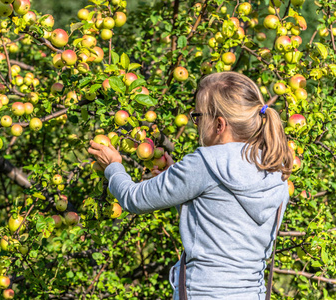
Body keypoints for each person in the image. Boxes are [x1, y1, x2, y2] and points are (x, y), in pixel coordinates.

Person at [88, 71, 293, 300]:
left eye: (198, 116)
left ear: (219, 124)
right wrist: (178, 178)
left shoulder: (205, 162)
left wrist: (113, 166)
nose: (196, 124)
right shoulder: (276, 170)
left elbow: (133, 199)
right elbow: (221, 220)